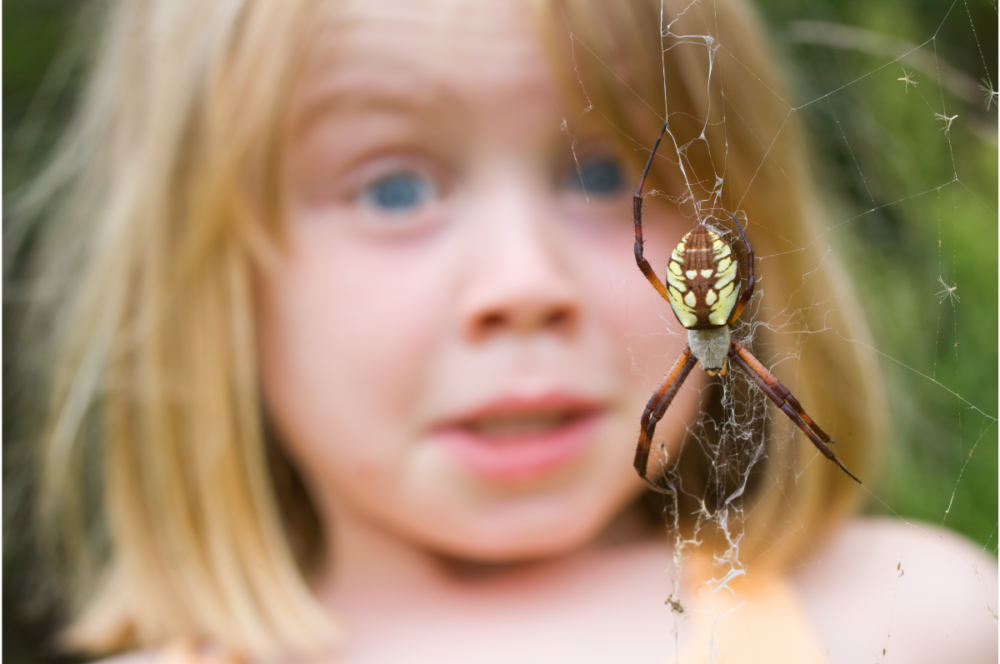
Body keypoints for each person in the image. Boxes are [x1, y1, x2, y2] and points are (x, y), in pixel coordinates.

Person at [11, 0, 995, 662]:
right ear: (211, 289)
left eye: (606, 175)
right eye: (394, 189)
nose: (525, 286)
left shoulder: (906, 616)